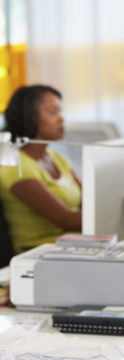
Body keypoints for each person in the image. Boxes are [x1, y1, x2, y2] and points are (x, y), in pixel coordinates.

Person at [0, 85, 82, 253]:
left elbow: (90, 202)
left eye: (60, 111)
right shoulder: (16, 166)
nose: (61, 119)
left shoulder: (57, 158)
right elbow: (66, 220)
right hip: (39, 253)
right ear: (30, 118)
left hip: (73, 246)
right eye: (53, 112)